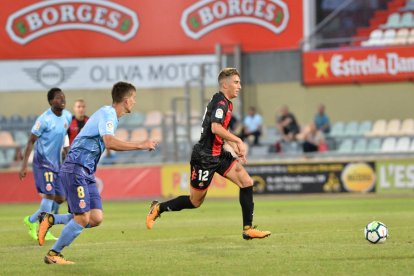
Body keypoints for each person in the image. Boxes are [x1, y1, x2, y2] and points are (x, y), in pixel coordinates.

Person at [38, 81, 157, 265]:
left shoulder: (109, 115)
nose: (134, 102)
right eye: (133, 98)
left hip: (86, 171)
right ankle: (54, 253)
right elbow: (109, 142)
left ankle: (50, 218)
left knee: (95, 217)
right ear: (126, 100)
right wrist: (140, 145)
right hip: (76, 167)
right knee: (82, 217)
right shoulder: (108, 114)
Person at [146, 68, 271, 240]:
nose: (239, 86)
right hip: (204, 157)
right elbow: (215, 128)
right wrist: (238, 141)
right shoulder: (221, 102)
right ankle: (158, 208)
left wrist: (231, 145)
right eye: (236, 82)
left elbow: (218, 132)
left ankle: (248, 229)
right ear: (225, 85)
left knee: (246, 182)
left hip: (218, 154)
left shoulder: (225, 102)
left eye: (239, 82)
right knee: (195, 201)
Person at [20, 88, 73, 242]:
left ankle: (30, 220)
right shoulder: (44, 119)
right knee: (49, 195)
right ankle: (44, 229)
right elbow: (31, 141)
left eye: (63, 96)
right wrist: (24, 166)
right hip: (42, 163)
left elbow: (64, 137)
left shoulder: (68, 116)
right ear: (51, 102)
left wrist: (68, 154)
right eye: (58, 97)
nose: (62, 99)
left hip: (56, 163)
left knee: (60, 198)